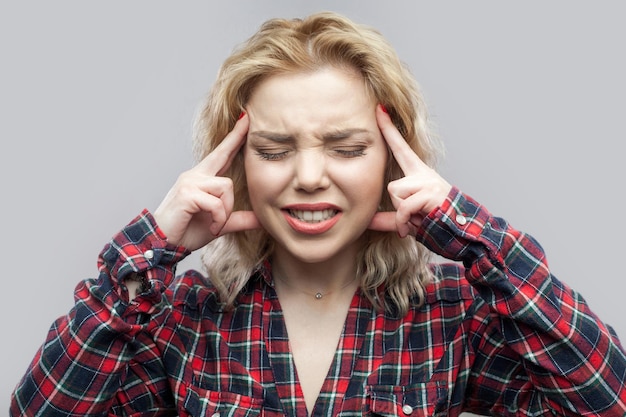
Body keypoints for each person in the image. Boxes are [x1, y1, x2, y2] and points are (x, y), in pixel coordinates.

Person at [10, 11, 626, 417]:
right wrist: (152, 249)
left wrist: (471, 234)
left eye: (347, 148)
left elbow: (608, 399)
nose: (308, 177)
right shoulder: (181, 318)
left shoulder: (454, 317)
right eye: (275, 150)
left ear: (392, 160)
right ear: (238, 165)